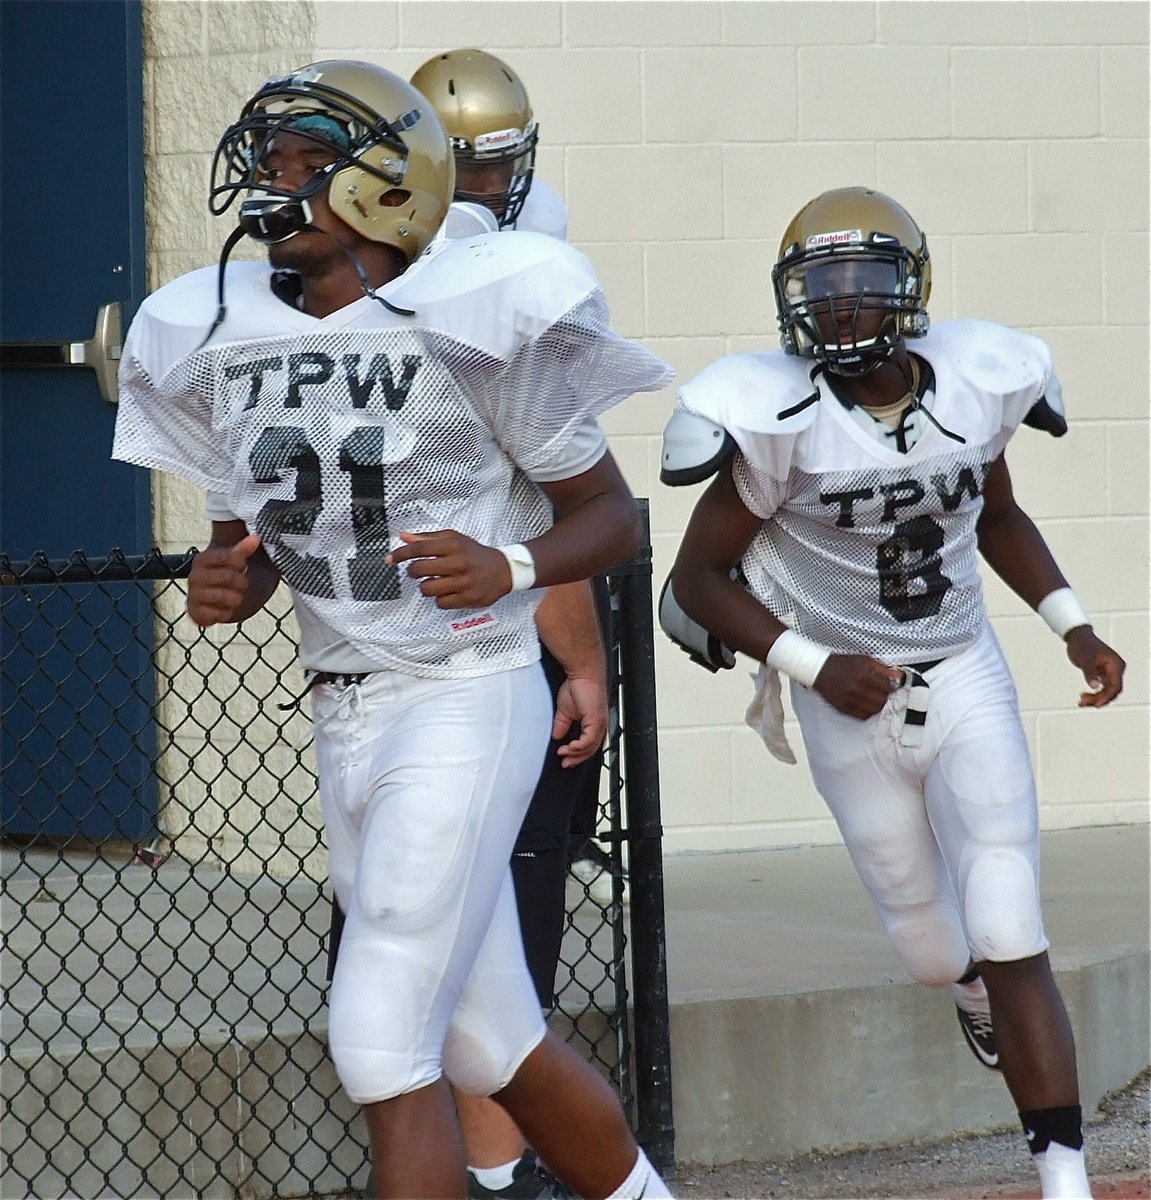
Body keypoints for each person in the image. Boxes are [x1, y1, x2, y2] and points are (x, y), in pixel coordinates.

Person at [112, 60, 673, 1200]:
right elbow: (260, 539)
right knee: (485, 1045)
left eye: (303, 164)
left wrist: (508, 563)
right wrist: (233, 581)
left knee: (377, 1040)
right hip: (344, 708)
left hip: (465, 691)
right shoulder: (215, 324)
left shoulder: (469, 313)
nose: (274, 186)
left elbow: (608, 517)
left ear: (386, 186)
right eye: (268, 162)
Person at [659, 187, 1125, 1200]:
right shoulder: (774, 421)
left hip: (961, 672)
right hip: (843, 698)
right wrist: (812, 666)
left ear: (907, 291)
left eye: (860, 287)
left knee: (1008, 918)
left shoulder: (976, 384)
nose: (839, 309)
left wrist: (1069, 623)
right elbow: (692, 583)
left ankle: (1062, 1179)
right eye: (818, 290)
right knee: (928, 947)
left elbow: (996, 515)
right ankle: (962, 987)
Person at [406, 47, 620, 1200]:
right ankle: (503, 1174)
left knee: (417, 943)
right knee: (494, 931)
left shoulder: (347, 265)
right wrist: (578, 657)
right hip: (486, 625)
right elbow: (546, 490)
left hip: (379, 645)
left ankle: (479, 1168)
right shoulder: (512, 275)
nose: (496, 181)